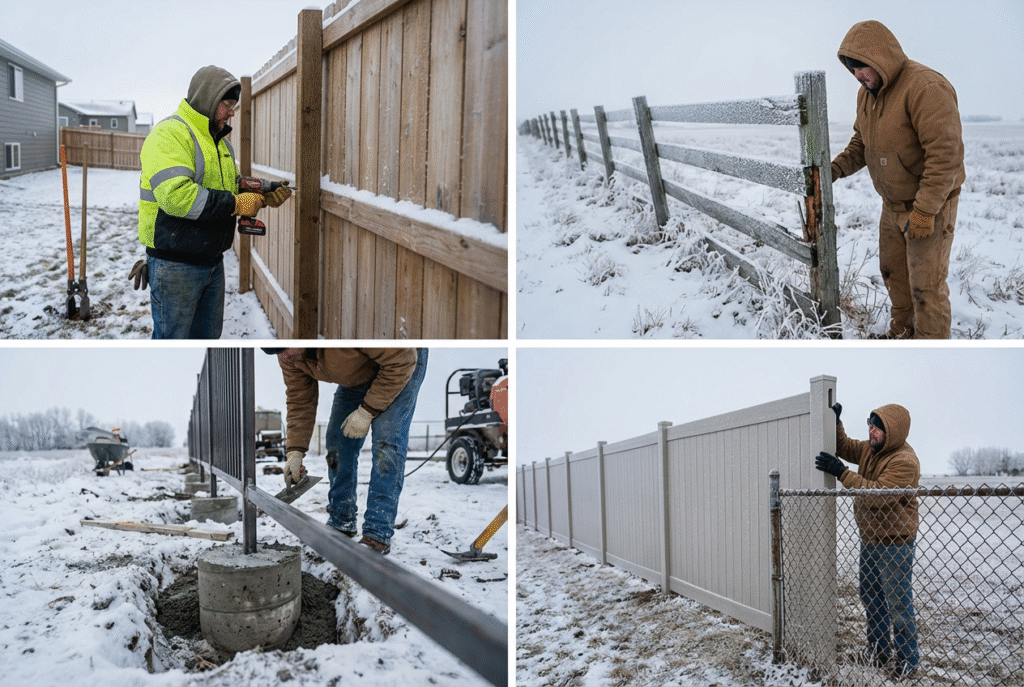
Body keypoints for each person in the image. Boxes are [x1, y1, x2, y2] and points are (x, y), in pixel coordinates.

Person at [134, 65, 292, 338]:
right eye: (227, 104)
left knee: (208, 339)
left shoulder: (219, 143)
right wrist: (238, 204)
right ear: (207, 100)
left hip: (212, 262)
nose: (232, 112)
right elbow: (177, 197)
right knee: (174, 342)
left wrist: (264, 193)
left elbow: (228, 186)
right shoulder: (170, 135)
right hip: (176, 265)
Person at [830, 21, 965, 339]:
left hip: (928, 205)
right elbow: (860, 146)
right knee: (894, 276)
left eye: (862, 66)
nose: (858, 75)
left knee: (926, 289)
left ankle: (930, 347)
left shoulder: (925, 87)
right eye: (852, 69)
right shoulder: (866, 95)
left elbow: (946, 155)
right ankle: (902, 333)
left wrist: (925, 210)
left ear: (881, 58)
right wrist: (832, 170)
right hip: (890, 205)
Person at [270, 348, 428, 554]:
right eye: (281, 355)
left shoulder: (339, 338)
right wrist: (295, 451)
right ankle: (341, 519)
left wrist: (367, 411)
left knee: (386, 445)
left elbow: (402, 361)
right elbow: (300, 399)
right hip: (359, 374)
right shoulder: (287, 356)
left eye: (288, 352)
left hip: (399, 365)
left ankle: (377, 533)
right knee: (337, 443)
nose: (287, 359)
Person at [815, 402, 921, 681]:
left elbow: (877, 496)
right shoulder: (871, 448)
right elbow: (846, 447)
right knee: (871, 597)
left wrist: (842, 473)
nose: (871, 432)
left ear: (894, 432)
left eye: (878, 428)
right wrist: (836, 423)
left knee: (898, 604)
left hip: (895, 543)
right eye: (870, 425)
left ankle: (908, 661)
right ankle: (878, 652)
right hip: (871, 539)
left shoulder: (904, 461)